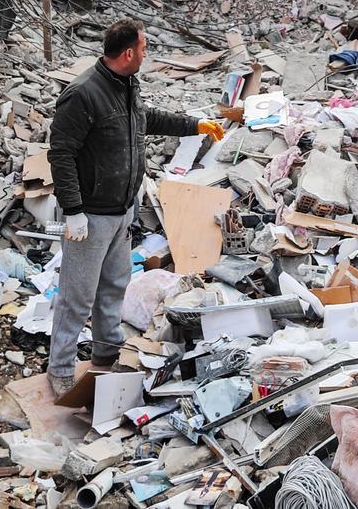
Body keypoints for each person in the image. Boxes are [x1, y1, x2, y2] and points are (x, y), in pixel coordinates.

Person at [45, 19, 224, 395]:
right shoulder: (83, 94)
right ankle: (60, 369)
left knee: (113, 286)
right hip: (89, 218)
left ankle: (107, 353)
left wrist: (196, 126)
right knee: (76, 296)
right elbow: (61, 155)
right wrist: (73, 210)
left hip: (122, 210)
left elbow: (147, 119)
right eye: (144, 48)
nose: (146, 54)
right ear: (128, 53)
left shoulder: (126, 85)